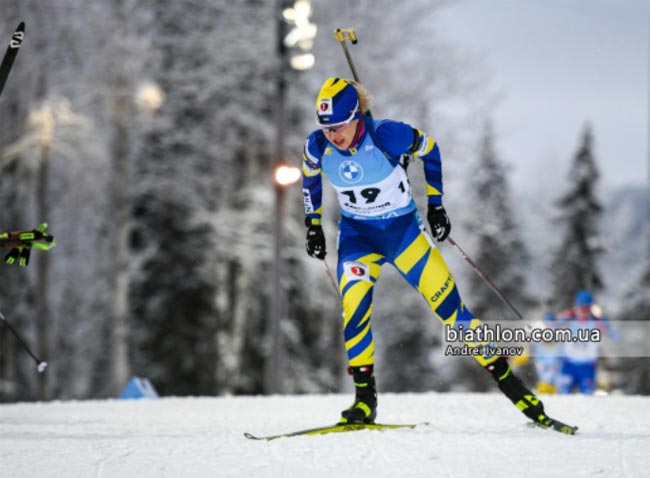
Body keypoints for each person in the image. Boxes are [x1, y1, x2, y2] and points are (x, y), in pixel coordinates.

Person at [301, 77, 550, 426]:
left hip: (404, 235)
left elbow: (430, 149)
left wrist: (436, 206)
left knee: (452, 312)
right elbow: (309, 178)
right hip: (359, 238)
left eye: (339, 126)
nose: (333, 135)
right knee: (354, 309)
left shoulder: (388, 135)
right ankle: (364, 401)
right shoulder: (317, 146)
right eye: (326, 127)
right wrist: (312, 224)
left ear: (356, 115)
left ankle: (514, 388)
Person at [555, 290, 619, 395]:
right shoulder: (568, 320)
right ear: (576, 307)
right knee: (562, 396)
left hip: (588, 367)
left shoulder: (596, 322)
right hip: (568, 365)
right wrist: (559, 320)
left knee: (588, 398)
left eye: (587, 307)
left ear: (591, 308)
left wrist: (607, 326)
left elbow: (617, 338)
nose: (584, 310)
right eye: (581, 307)